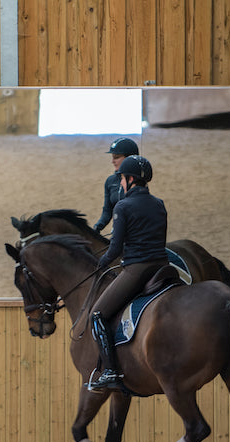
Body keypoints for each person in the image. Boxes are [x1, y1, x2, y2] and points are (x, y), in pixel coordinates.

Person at [88, 155, 168, 391]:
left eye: (122, 178)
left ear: (131, 179)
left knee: (97, 314)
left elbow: (115, 248)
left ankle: (111, 370)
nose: (121, 183)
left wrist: (101, 263)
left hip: (137, 269)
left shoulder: (123, 206)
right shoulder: (159, 204)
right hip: (162, 267)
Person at [92, 137, 139, 234]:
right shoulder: (110, 181)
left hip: (136, 233)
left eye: (116, 157)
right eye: (112, 157)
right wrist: (97, 227)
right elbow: (107, 210)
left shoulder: (138, 180)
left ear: (129, 158)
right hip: (117, 232)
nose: (112, 161)